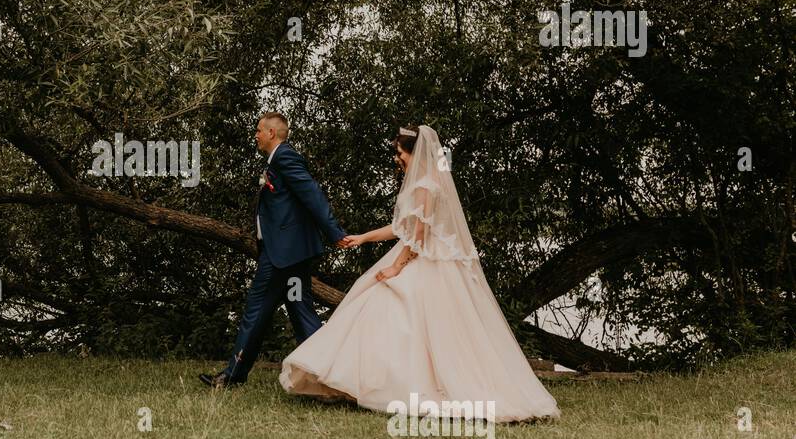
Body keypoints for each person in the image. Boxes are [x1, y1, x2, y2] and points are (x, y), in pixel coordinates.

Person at [279, 124, 560, 422]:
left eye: (399, 152)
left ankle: (397, 385)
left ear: (414, 152)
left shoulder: (425, 185)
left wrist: (396, 266)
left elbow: (419, 236)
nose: (396, 158)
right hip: (423, 255)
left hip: (427, 262)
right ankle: (359, 382)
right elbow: (401, 228)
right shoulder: (424, 182)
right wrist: (363, 238)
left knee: (396, 308)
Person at [200, 111, 347, 389]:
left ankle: (232, 376)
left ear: (271, 133)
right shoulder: (276, 160)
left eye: (258, 130)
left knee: (254, 312)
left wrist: (335, 232)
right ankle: (334, 373)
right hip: (292, 256)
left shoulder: (283, 157)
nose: (255, 135)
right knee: (301, 312)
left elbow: (311, 193)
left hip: (281, 257)